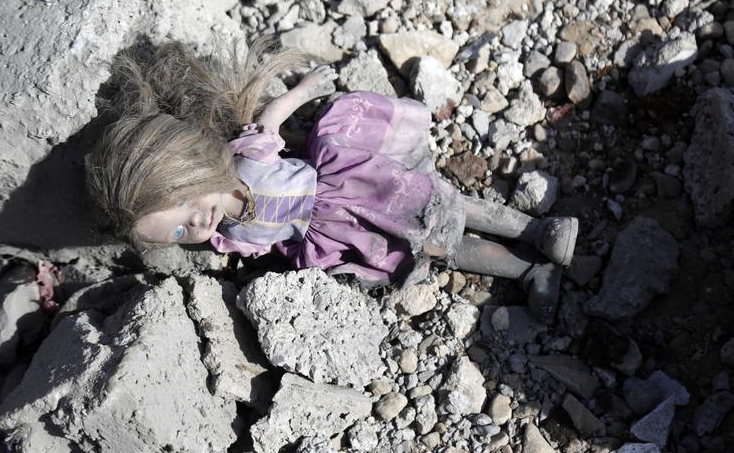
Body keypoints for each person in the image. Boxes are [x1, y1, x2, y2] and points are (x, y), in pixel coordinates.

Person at [86, 39, 578, 323]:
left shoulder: (245, 158)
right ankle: (527, 272)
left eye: (185, 207)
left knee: (442, 203)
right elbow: (267, 245)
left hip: (350, 186)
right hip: (333, 237)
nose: (195, 226)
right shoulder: (225, 236)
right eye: (178, 233)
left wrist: (304, 90)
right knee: (434, 248)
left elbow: (272, 121)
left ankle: (538, 230)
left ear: (189, 164)